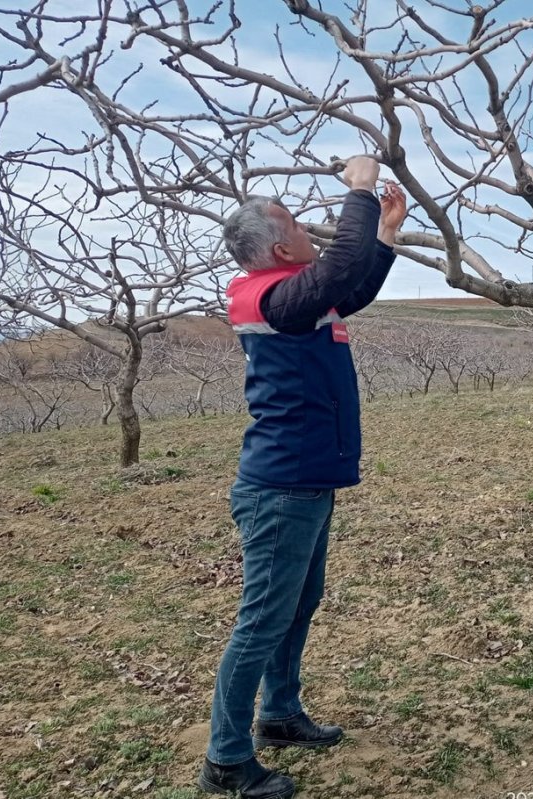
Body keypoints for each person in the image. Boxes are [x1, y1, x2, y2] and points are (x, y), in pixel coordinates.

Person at [198, 156, 407, 799]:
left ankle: (280, 715)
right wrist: (360, 189)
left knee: (297, 604)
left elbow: (352, 286)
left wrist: (387, 235)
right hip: (282, 488)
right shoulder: (276, 297)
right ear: (277, 243)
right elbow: (340, 269)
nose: (305, 225)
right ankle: (226, 762)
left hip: (303, 482)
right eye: (292, 220)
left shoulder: (291, 295)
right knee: (262, 618)